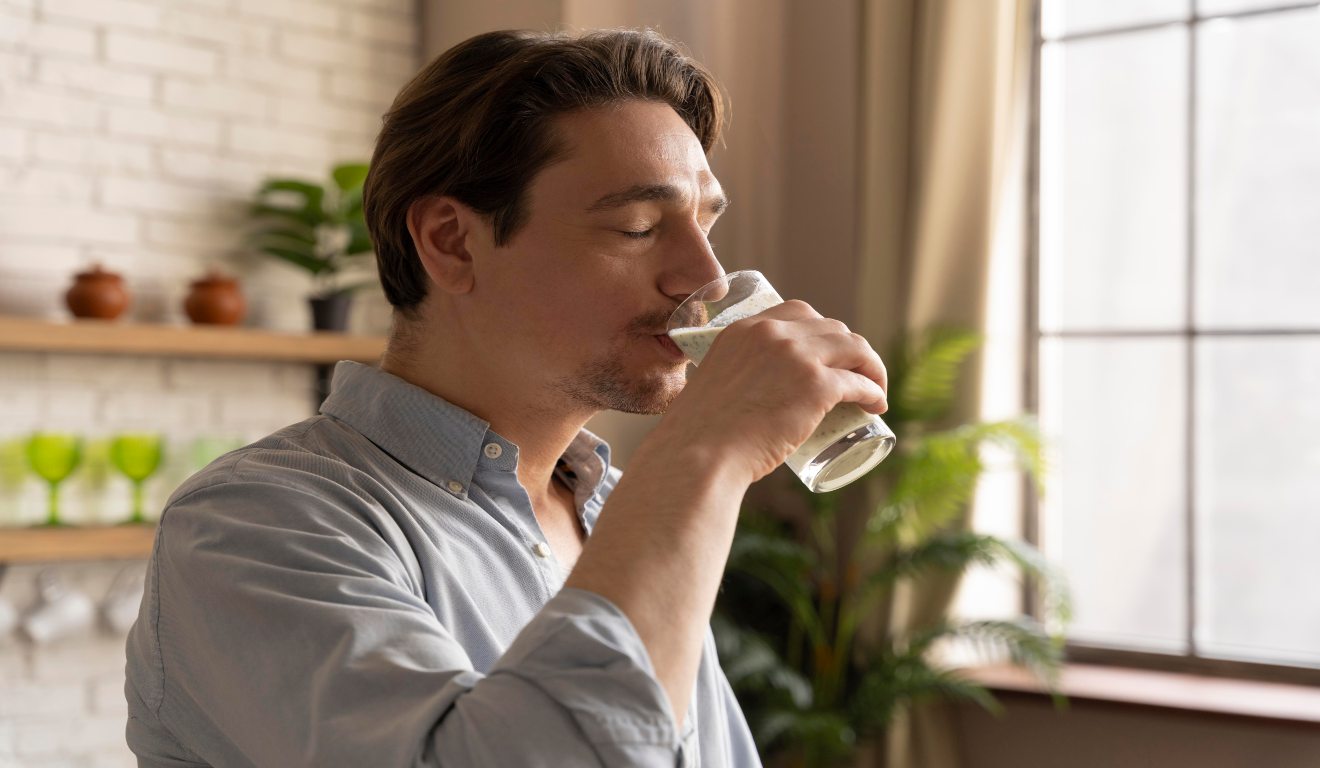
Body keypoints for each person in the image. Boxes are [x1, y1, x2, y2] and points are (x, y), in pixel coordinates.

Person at [124, 28, 889, 767]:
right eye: (636, 226)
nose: (705, 276)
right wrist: (706, 449)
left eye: (705, 223)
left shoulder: (620, 513)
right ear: (453, 243)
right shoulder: (254, 526)